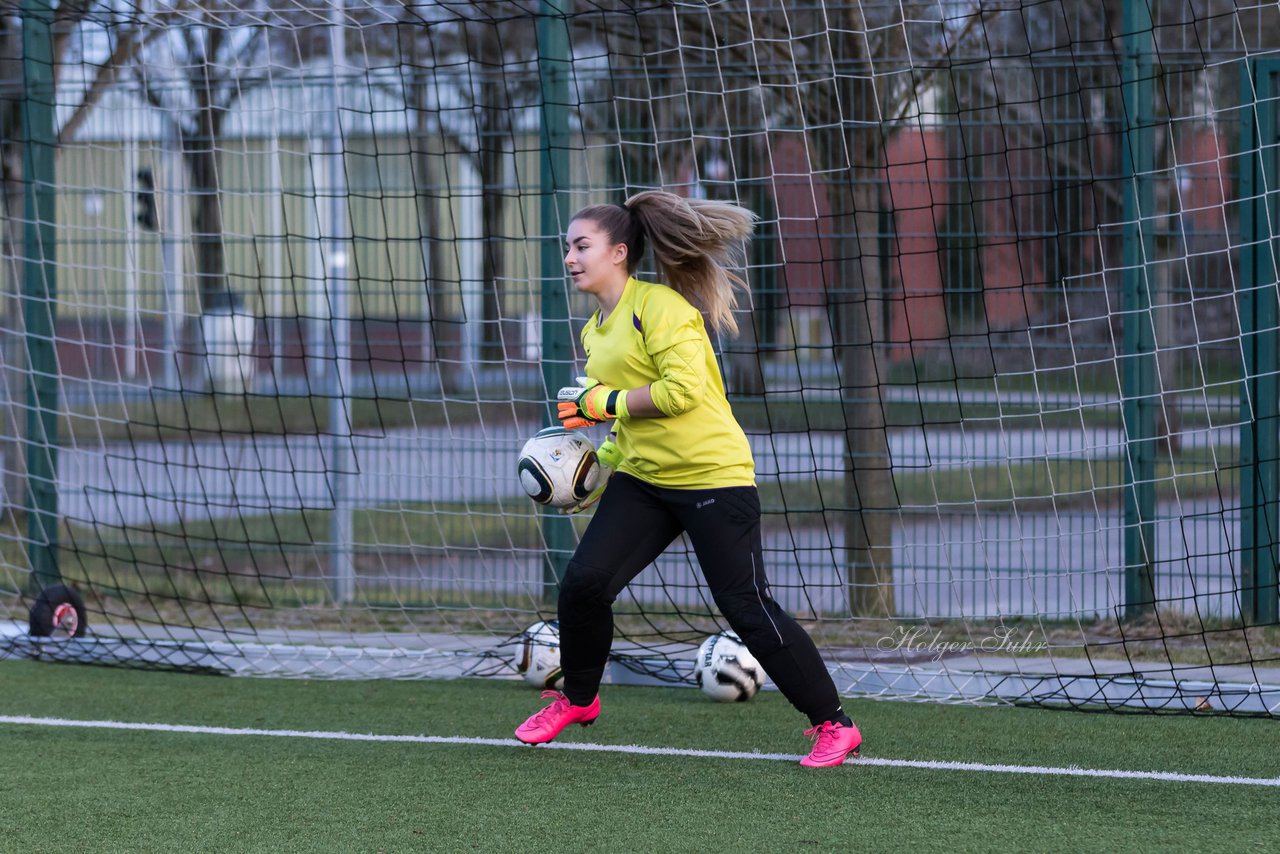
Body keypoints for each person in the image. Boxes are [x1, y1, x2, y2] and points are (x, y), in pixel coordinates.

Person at [514, 191, 862, 768]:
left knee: (745, 606)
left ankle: (834, 723)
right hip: (647, 482)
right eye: (567, 248)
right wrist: (595, 471)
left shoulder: (662, 309)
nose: (570, 257)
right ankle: (577, 699)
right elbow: (625, 426)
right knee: (584, 583)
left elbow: (683, 394)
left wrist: (604, 401)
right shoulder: (596, 333)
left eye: (582, 246)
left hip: (713, 478)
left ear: (619, 252)